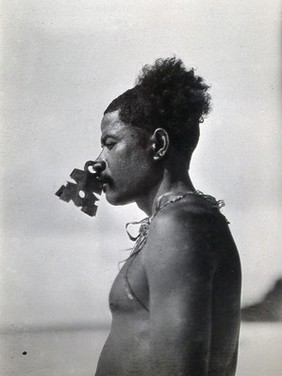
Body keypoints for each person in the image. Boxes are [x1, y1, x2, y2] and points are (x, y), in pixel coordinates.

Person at [93, 57, 241, 376]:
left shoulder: (179, 224)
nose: (97, 163)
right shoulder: (182, 219)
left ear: (158, 144)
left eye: (110, 144)